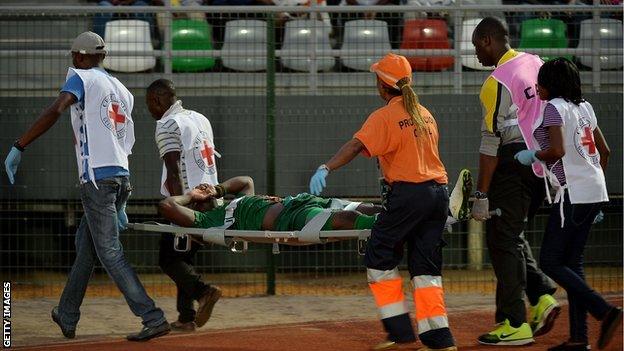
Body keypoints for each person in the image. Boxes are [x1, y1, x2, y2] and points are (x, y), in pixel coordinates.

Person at [3, 32, 170, 341]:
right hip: (120, 176)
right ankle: (67, 313)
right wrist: (121, 200)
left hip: (96, 180)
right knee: (86, 249)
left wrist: (20, 145)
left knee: (109, 252)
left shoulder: (81, 78)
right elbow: (125, 141)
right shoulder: (122, 90)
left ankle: (152, 316)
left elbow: (56, 109)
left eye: (73, 57)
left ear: (80, 57)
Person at [308, 53, 456, 351]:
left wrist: (327, 167)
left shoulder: (385, 116)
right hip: (438, 195)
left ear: (381, 84)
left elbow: (355, 145)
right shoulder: (424, 113)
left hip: (408, 196)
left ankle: (399, 331)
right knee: (426, 268)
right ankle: (439, 340)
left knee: (379, 255)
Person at [514, 58, 622, 351]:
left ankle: (604, 310)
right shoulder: (584, 107)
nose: (537, 87)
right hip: (593, 189)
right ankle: (578, 339)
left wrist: (534, 156)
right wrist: (594, 187)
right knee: (573, 263)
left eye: (542, 83)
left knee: (550, 261)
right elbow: (605, 152)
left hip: (571, 192)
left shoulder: (553, 108)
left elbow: (557, 150)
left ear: (551, 85)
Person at [470, 17, 559, 346]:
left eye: (477, 46)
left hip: (515, 164)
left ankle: (513, 322)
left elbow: (490, 144)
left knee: (501, 241)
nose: (476, 54)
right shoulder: (538, 63)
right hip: (546, 163)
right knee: (510, 233)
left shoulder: (496, 81)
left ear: (489, 40)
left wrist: (481, 193)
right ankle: (541, 296)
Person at [146, 79, 222, 332]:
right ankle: (186, 317)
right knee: (183, 258)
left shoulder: (167, 124)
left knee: (169, 260)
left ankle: (204, 292)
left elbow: (173, 171)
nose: (149, 110)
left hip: (189, 201)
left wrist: (181, 210)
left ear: (157, 100)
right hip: (211, 198)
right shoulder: (199, 118)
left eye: (149, 103)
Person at [158, 176, 381, 232]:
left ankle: (395, 215)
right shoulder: (207, 220)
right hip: (289, 219)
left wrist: (217, 190)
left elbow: (246, 181)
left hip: (298, 201)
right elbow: (167, 206)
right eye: (202, 194)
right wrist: (191, 195)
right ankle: (389, 226)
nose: (203, 189)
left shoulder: (234, 201)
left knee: (364, 207)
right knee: (347, 219)